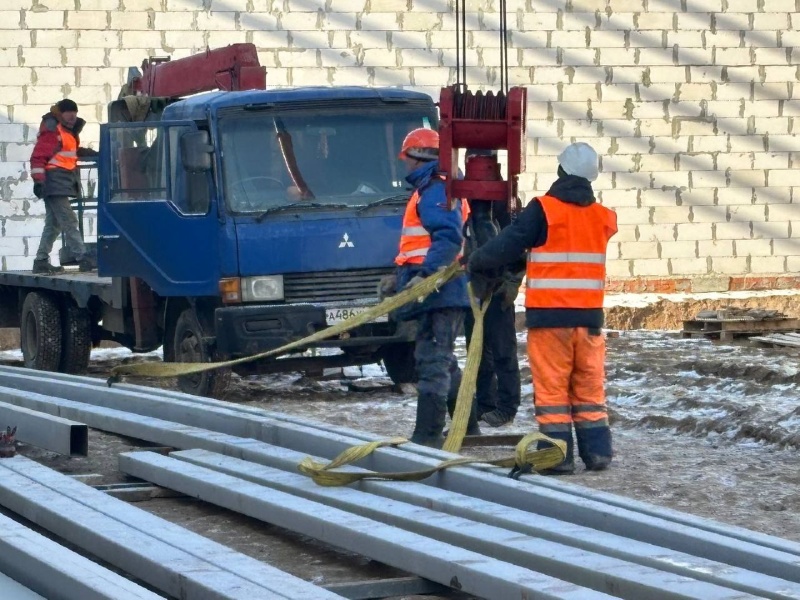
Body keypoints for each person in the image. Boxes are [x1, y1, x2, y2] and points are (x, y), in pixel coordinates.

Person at [467, 142, 618, 473]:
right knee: (589, 389)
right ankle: (598, 453)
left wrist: (476, 261)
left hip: (550, 320)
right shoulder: (603, 218)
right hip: (590, 321)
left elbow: (508, 244)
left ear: (560, 170)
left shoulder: (544, 210)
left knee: (552, 391)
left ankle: (556, 457)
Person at [386, 127, 477, 447]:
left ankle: (428, 435)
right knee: (442, 358)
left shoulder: (435, 190)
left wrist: (425, 276)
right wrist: (400, 277)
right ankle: (468, 424)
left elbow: (448, 238)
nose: (405, 165)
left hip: (441, 289)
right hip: (438, 289)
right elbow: (420, 244)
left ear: (417, 158)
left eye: (407, 159)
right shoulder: (432, 188)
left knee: (432, 361)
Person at [463, 191, 523, 428]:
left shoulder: (506, 204)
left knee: (503, 351)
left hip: (498, 292)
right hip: (472, 289)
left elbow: (519, 249)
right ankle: (486, 404)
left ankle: (507, 407)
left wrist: (510, 284)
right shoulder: (461, 201)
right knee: (476, 350)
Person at [29, 98, 98, 274]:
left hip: (61, 182)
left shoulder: (67, 132)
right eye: (70, 113)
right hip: (53, 183)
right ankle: (83, 257)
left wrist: (92, 153)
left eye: (75, 113)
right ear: (61, 113)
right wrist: (38, 180)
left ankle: (41, 260)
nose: (73, 117)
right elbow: (38, 156)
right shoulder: (54, 130)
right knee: (68, 219)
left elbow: (70, 153)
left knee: (53, 224)